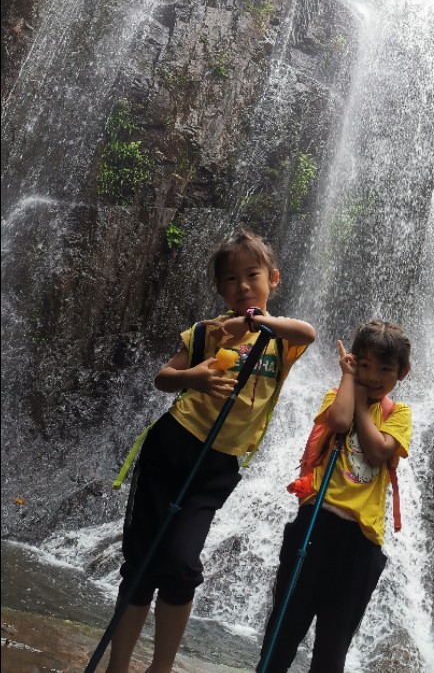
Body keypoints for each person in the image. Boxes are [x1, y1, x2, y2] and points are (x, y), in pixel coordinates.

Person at [105, 229, 316, 673]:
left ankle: (160, 668)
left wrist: (260, 324)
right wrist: (196, 377)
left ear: (273, 279)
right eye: (230, 280)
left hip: (218, 466)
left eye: (252, 275)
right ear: (220, 289)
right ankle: (117, 666)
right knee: (142, 561)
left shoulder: (282, 341)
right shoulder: (209, 332)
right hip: (173, 447)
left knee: (182, 565)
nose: (242, 286)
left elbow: (309, 331)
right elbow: (163, 377)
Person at [259, 319, 412, 673]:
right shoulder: (336, 394)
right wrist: (348, 382)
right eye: (366, 365)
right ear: (354, 361)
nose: (373, 376)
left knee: (332, 648)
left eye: (385, 369)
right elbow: (340, 422)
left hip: (361, 543)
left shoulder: (399, 414)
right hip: (314, 525)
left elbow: (377, 451)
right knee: (282, 631)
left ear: (401, 373)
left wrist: (362, 404)